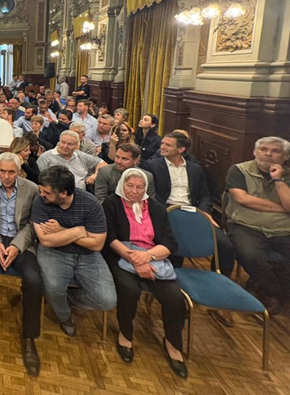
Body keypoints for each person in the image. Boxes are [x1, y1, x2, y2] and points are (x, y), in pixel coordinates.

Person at [102, 168, 188, 378]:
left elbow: (170, 243)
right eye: (130, 186)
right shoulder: (112, 204)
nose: (134, 191)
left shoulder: (157, 208)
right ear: (122, 184)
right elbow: (110, 238)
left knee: (175, 298)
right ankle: (125, 334)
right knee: (128, 289)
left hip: (153, 257)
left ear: (146, 188)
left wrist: (147, 256)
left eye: (139, 187)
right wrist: (134, 258)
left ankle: (173, 342)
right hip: (122, 255)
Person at [143, 131, 236, 323]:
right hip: (167, 212)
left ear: (181, 149)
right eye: (162, 143)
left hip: (194, 213)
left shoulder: (195, 169)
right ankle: (175, 298)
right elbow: (152, 196)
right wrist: (167, 213)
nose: (162, 147)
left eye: (167, 145)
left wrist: (204, 213)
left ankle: (219, 293)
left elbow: (205, 195)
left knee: (226, 245)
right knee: (174, 246)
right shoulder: (153, 166)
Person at [0, 153, 43, 375]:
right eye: (2, 171)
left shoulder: (31, 189)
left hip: (20, 240)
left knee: (34, 280)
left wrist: (16, 246)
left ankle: (29, 337)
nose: (6, 176)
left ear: (19, 171)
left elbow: (33, 224)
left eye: (11, 172)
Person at [32, 165, 117, 337]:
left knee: (107, 301)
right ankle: (64, 316)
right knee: (54, 288)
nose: (42, 194)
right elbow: (46, 240)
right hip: (54, 252)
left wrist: (62, 230)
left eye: (47, 192)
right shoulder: (41, 201)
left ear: (63, 193)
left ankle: (63, 297)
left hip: (87, 255)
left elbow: (97, 244)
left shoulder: (90, 204)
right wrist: (79, 230)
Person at [225, 136, 290, 313]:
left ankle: (264, 288)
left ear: (286, 157)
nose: (268, 154)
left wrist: (279, 181)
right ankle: (275, 293)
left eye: (275, 151)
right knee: (252, 256)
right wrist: (284, 208)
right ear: (254, 152)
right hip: (246, 225)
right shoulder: (239, 170)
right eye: (263, 149)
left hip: (285, 230)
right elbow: (243, 199)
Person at [36, 130, 107, 190]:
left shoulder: (80, 155)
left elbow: (102, 163)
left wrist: (95, 174)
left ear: (76, 145)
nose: (65, 146)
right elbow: (39, 180)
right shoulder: (45, 157)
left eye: (69, 144)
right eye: (63, 142)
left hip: (81, 195)